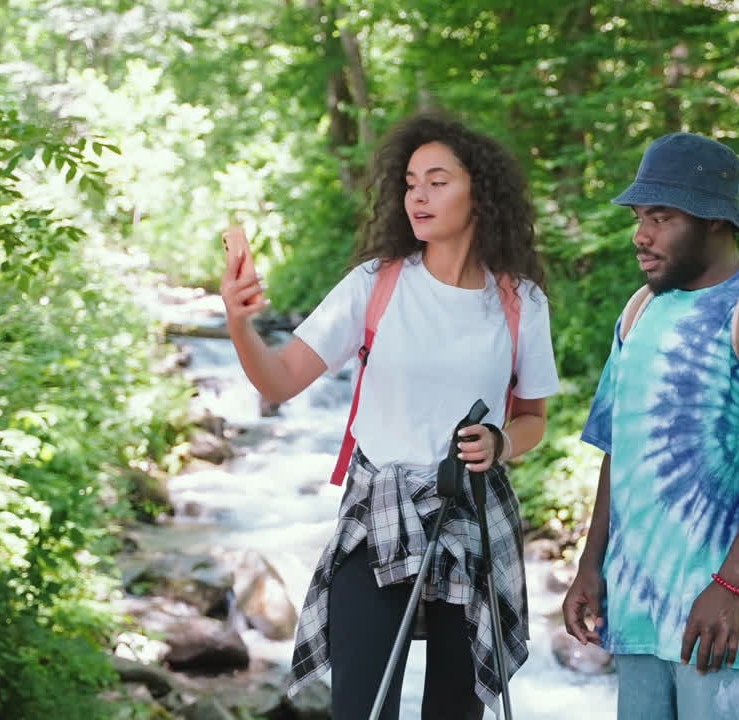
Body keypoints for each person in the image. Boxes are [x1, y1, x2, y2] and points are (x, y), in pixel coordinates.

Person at [220, 113, 560, 720]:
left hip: (471, 516)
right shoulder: (375, 284)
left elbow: (532, 416)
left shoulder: (519, 302)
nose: (418, 196)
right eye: (409, 183)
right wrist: (239, 322)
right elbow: (278, 378)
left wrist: (501, 443)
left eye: (437, 181)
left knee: (454, 711)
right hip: (377, 511)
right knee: (360, 708)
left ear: (479, 192)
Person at [561, 132, 739, 719]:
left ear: (713, 222)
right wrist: (589, 565)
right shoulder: (641, 310)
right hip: (636, 605)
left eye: (661, 217)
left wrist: (732, 585)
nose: (641, 234)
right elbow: (617, 450)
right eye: (639, 217)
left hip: (724, 613)